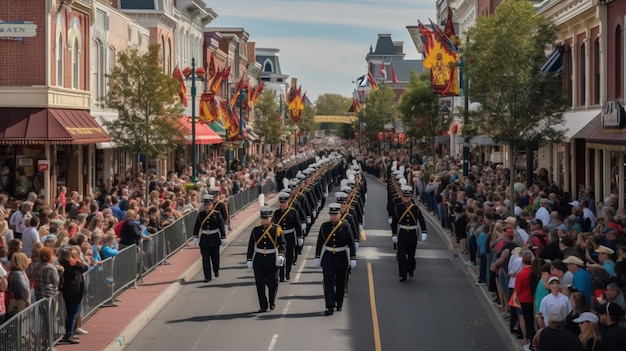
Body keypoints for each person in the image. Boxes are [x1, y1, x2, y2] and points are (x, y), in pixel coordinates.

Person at [314, 203, 356, 315]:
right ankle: (330, 306)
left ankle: (339, 302)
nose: (333, 216)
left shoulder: (346, 226)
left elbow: (351, 243)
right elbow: (319, 242)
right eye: (331, 214)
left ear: (339, 214)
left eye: (335, 214)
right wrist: (317, 256)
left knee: (340, 283)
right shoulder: (324, 226)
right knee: (328, 283)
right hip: (328, 258)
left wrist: (353, 258)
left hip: (341, 257)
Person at [246, 206, 286, 313]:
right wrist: (249, 259)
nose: (264, 220)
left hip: (272, 259)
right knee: (260, 285)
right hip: (259, 260)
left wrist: (281, 255)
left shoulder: (276, 229)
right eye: (263, 218)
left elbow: (282, 244)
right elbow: (251, 245)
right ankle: (263, 305)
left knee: (273, 283)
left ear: (270, 218)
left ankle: (271, 301)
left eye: (266, 218)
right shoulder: (255, 230)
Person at [391, 185, 427, 281]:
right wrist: (394, 234)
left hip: (412, 233)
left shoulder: (415, 208)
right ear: (402, 197)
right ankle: (403, 274)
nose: (406, 199)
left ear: (411, 197)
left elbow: (421, 220)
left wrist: (424, 231)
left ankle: (410, 269)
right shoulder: (398, 208)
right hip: (402, 233)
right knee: (401, 255)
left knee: (411, 254)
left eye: (408, 197)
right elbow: (394, 222)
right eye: (404, 197)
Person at [192, 194, 226, 282]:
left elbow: (221, 226)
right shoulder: (200, 215)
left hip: (214, 238)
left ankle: (216, 269)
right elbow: (197, 226)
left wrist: (223, 237)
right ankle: (207, 276)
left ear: (212, 205)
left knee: (215, 257)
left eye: (209, 205)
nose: (207, 207)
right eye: (206, 205)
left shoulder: (216, 214)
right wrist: (195, 236)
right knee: (205, 259)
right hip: (204, 239)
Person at [58, 246, 89, 344]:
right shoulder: (73, 264)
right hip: (74, 291)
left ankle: (69, 333)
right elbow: (85, 267)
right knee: (73, 313)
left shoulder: (62, 264)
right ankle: (69, 334)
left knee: (70, 313)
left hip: (67, 291)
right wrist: (77, 259)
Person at [272, 191, 303, 282]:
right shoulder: (276, 213)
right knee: (281, 256)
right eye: (281, 203)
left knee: (289, 256)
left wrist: (300, 236)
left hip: (289, 236)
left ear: (287, 202)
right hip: (280, 237)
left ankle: (287, 273)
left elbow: (298, 225)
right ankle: (281, 275)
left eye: (284, 203)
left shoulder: (293, 212)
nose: (282, 205)